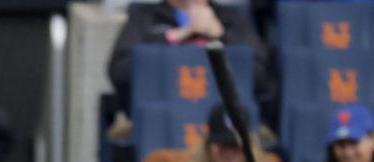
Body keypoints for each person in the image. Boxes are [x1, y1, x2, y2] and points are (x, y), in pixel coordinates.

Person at [107, 0, 276, 129]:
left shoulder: (232, 18)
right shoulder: (145, 16)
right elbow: (120, 73)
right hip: (161, 127)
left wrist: (220, 36)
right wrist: (172, 38)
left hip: (224, 130)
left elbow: (260, 77)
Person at [161, 102, 289, 162]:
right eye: (223, 145)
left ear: (250, 147)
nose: (230, 152)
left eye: (236, 145)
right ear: (207, 145)